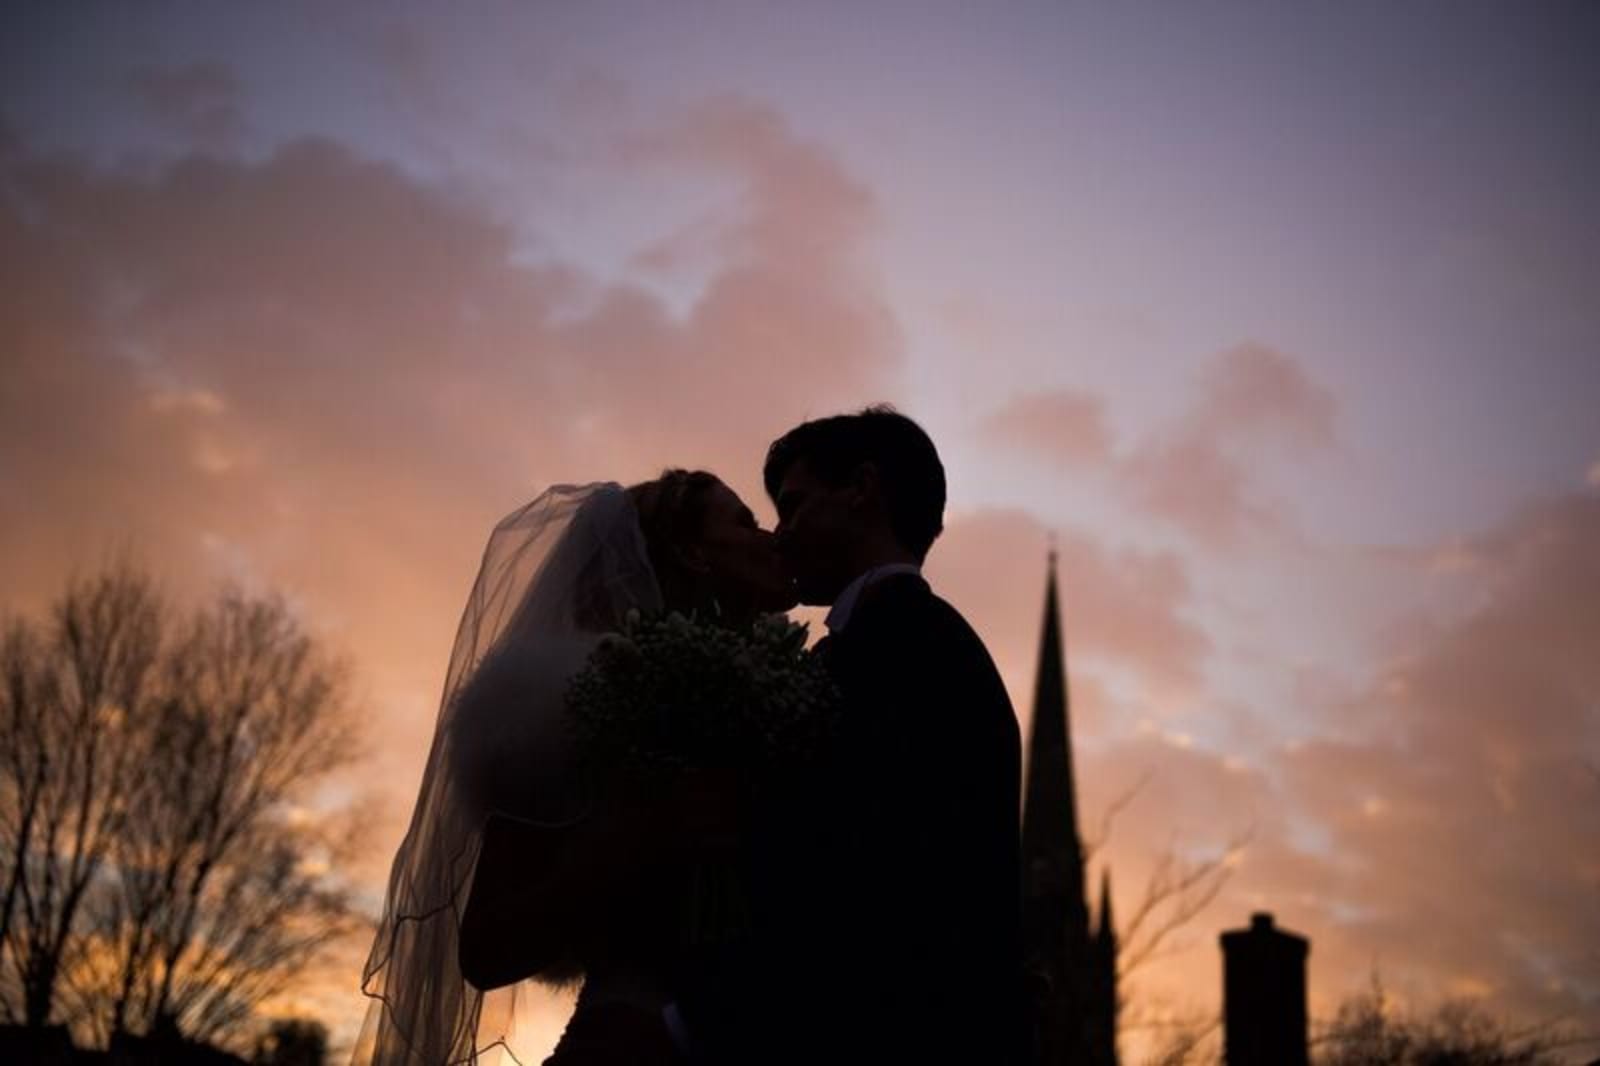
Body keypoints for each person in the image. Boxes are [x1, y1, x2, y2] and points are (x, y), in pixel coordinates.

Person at [354, 471, 795, 1066]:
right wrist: (643, 835)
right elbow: (487, 949)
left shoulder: (780, 695)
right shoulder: (580, 708)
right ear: (693, 552)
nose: (771, 537)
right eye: (744, 523)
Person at [673, 405, 1027, 1065]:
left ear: (861, 491)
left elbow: (838, 887)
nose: (780, 535)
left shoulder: (899, 652)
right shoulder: (924, 644)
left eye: (795, 504)